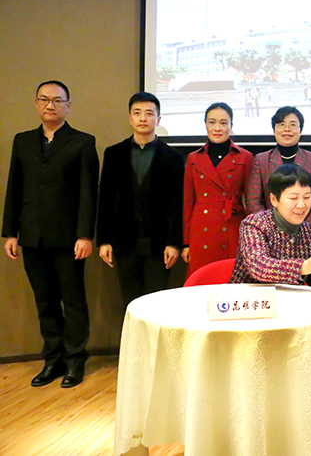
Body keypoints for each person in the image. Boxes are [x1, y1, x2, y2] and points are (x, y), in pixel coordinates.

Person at [2, 81, 99, 388]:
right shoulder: (23, 141)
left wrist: (85, 235)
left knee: (73, 301)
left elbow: (88, 193)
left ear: (68, 106)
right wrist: (10, 232)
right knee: (45, 302)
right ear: (36, 104)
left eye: (57, 100)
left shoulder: (83, 142)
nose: (50, 105)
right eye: (44, 99)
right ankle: (52, 360)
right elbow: (14, 186)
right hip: (32, 236)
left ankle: (74, 361)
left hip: (69, 238)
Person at [96, 92, 184, 307]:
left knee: (156, 304)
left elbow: (177, 202)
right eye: (137, 113)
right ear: (130, 118)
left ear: (158, 119)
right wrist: (104, 240)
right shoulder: (114, 153)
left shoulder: (172, 157)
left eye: (149, 113)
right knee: (131, 302)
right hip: (124, 241)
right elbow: (105, 198)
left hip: (159, 244)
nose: (143, 118)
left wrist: (174, 242)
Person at [182, 102, 253, 279]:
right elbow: (188, 202)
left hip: (232, 226)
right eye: (212, 122)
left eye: (223, 123)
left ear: (231, 126)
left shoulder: (245, 157)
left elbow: (251, 201)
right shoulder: (193, 158)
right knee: (202, 281)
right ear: (205, 124)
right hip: (201, 229)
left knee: (230, 279)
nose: (217, 128)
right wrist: (186, 242)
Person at [245, 106, 311, 229]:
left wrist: (303, 231)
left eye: (293, 124)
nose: (287, 129)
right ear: (274, 129)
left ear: (300, 130)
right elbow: (253, 201)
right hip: (269, 234)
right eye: (281, 124)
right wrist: (272, 230)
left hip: (308, 234)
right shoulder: (261, 160)